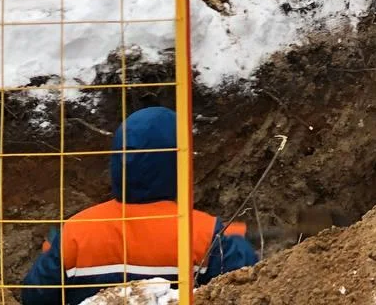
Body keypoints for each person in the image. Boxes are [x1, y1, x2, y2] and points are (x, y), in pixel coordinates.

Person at [21, 107, 257, 304]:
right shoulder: (203, 232)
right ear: (179, 162)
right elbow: (244, 286)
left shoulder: (76, 230)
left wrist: (54, 251)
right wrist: (234, 242)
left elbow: (34, 297)